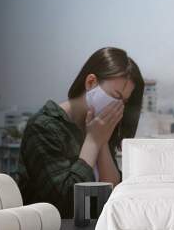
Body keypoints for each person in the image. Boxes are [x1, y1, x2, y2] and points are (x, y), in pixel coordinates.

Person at [17, 47, 144, 218]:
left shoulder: (100, 126)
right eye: (116, 96)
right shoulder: (44, 126)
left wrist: (102, 141)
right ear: (91, 82)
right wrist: (92, 141)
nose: (119, 106)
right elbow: (65, 202)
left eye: (125, 101)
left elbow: (112, 196)